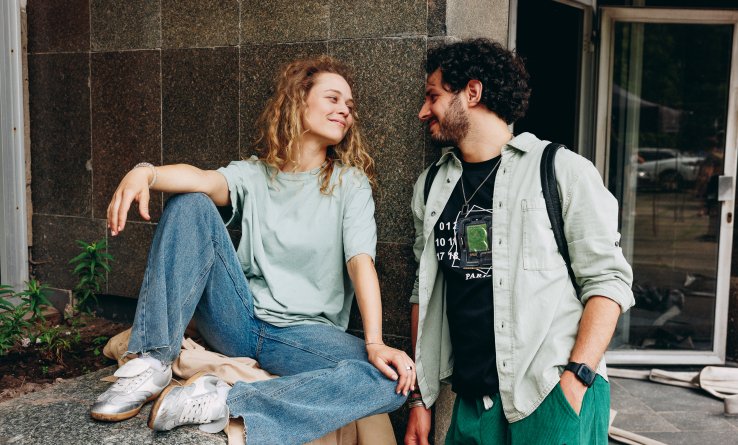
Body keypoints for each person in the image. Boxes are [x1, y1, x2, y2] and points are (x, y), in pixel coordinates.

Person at [89, 55, 412, 444]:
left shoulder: (350, 184)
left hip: (303, 337)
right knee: (190, 201)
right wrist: (146, 172)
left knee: (391, 379)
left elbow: (361, 264)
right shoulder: (255, 174)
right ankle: (151, 361)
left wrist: (375, 343)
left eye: (349, 105)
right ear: (298, 101)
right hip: (237, 319)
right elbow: (202, 178)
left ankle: (222, 401)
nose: (344, 110)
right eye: (332, 98)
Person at [403, 39, 634, 445]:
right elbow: (423, 293)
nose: (424, 111)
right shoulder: (431, 186)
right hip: (472, 402)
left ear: (472, 92)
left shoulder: (561, 169)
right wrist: (420, 399)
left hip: (551, 393)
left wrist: (575, 381)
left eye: (433, 96)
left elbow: (608, 282)